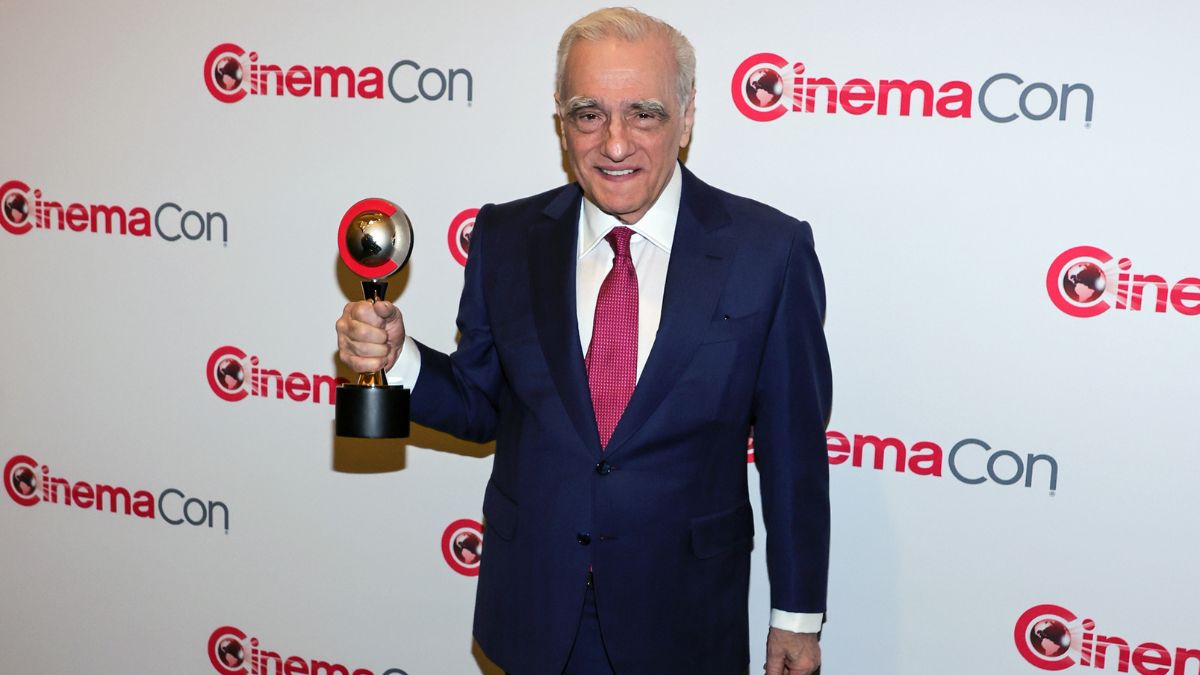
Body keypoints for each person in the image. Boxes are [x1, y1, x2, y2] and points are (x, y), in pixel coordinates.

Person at [336, 8, 831, 675]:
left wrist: (796, 616)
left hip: (684, 614)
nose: (615, 143)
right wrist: (400, 360)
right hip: (534, 608)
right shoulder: (506, 237)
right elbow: (480, 405)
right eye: (588, 113)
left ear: (686, 117)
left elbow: (794, 451)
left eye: (645, 113)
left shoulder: (767, 250)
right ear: (560, 122)